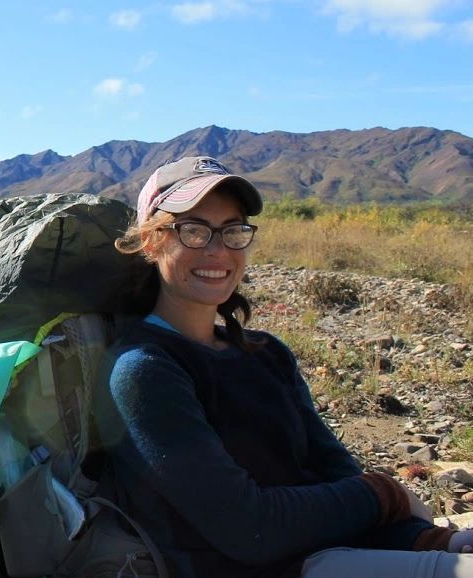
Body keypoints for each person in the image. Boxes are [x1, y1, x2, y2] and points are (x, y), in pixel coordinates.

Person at [91, 156, 473, 578]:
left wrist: (425, 541)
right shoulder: (143, 370)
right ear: (152, 242)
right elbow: (250, 530)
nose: (218, 250)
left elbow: (335, 478)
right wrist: (387, 493)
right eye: (194, 231)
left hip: (329, 557)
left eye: (233, 231)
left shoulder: (266, 353)